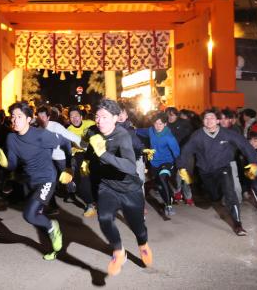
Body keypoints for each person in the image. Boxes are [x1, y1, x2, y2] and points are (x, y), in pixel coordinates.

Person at [85, 99, 152, 276]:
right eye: (97, 116)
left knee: (138, 227)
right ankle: (119, 251)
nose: (100, 121)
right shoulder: (93, 132)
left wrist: (104, 155)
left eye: (105, 117)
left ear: (116, 118)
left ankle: (143, 244)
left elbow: (130, 167)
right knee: (105, 218)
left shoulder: (123, 136)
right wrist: (82, 163)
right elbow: (89, 150)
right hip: (107, 186)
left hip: (130, 189)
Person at [0, 102, 71, 260]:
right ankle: (53, 248)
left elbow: (65, 142)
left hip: (46, 179)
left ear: (29, 119)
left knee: (29, 215)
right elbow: (13, 163)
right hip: (30, 181)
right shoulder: (11, 138)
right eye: (13, 117)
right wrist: (6, 164)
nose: (15, 120)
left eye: (19, 117)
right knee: (38, 218)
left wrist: (68, 168)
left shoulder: (41, 135)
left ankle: (53, 227)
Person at [177, 109, 257, 236]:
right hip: (205, 171)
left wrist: (253, 162)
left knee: (230, 194)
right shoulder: (197, 135)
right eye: (206, 119)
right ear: (203, 121)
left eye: (212, 118)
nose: (209, 121)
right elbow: (186, 151)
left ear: (218, 121)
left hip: (223, 168)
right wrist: (182, 167)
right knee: (214, 196)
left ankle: (238, 224)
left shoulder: (227, 134)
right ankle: (216, 197)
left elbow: (245, 145)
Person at [36, 105, 80, 214]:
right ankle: (52, 206)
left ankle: (73, 191)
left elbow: (71, 136)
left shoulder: (56, 126)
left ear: (48, 117)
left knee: (67, 180)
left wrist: (86, 146)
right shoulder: (38, 129)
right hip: (49, 159)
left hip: (62, 158)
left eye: (43, 116)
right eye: (39, 116)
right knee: (48, 182)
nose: (41, 119)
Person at [136, 112, 180, 216]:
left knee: (162, 177)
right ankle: (169, 197)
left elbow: (177, 153)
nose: (157, 126)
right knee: (160, 185)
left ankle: (169, 206)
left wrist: (179, 167)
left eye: (160, 124)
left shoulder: (169, 138)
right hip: (154, 163)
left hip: (167, 162)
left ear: (165, 124)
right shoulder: (151, 131)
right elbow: (139, 131)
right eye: (156, 123)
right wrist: (130, 129)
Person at [67, 106, 97, 217]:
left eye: (76, 116)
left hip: (94, 153)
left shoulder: (89, 123)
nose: (74, 118)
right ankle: (90, 204)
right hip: (79, 157)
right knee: (83, 179)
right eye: (71, 116)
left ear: (81, 116)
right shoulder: (69, 130)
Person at [165, 107, 194, 205]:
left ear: (176, 115)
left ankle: (188, 196)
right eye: (168, 115)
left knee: (185, 174)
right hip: (171, 153)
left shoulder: (184, 123)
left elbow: (190, 137)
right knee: (174, 175)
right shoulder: (165, 124)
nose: (170, 117)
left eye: (172, 115)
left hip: (184, 153)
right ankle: (177, 192)